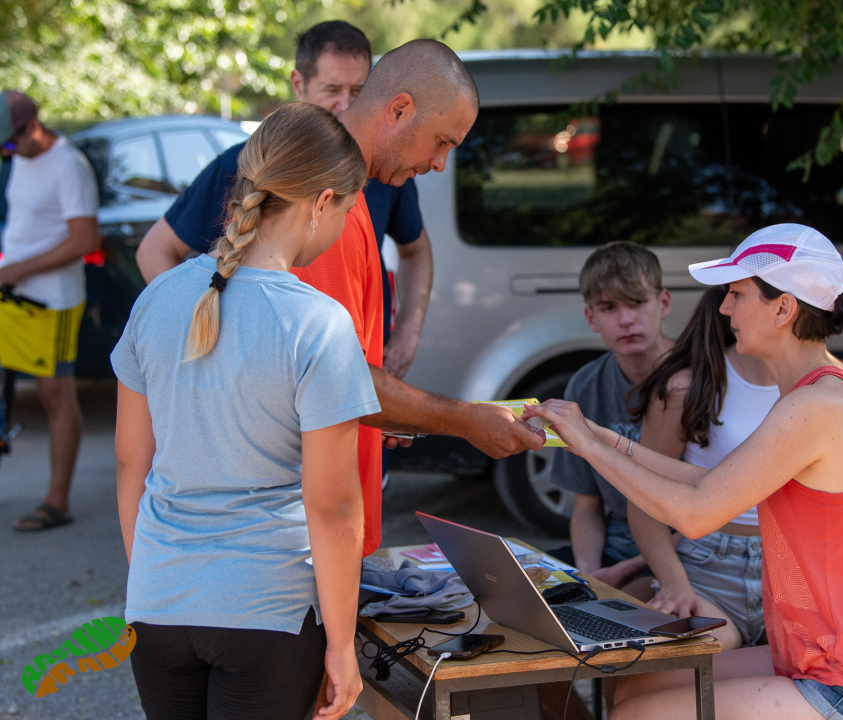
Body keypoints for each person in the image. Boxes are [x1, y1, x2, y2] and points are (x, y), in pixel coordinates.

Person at [141, 38, 543, 559]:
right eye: (441, 142)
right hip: (303, 547)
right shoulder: (324, 218)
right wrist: (465, 421)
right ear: (399, 110)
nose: (441, 164)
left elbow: (324, 383)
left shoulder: (343, 202)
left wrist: (393, 415)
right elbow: (339, 376)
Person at [525, 224, 843, 720]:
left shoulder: (819, 404)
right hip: (820, 659)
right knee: (636, 693)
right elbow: (709, 484)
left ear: (783, 309)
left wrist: (590, 447)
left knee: (639, 716)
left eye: (737, 294)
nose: (723, 308)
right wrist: (600, 436)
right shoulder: (812, 392)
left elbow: (697, 514)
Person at [114, 102, 372, 720]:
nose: (344, 224)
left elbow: (130, 465)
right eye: (347, 210)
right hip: (267, 612)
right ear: (321, 200)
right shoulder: (317, 323)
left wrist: (158, 582)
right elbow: (333, 506)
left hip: (158, 604)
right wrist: (342, 646)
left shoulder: (156, 300)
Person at [137, 21, 433, 381]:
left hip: (354, 384)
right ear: (299, 85)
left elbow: (416, 249)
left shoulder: (387, 169)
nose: (346, 102)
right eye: (332, 89)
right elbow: (154, 250)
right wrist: (208, 326)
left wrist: (408, 331)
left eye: (358, 89)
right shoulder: (245, 164)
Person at [628, 285, 778, 652]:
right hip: (709, 568)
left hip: (792, 568)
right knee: (657, 673)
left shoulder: (821, 383)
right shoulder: (689, 385)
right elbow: (643, 497)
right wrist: (674, 583)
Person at [0, 90, 100, 532]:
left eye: (6, 145)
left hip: (50, 300)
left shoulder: (69, 166)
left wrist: (23, 267)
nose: (2, 153)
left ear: (30, 127)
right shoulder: (23, 157)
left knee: (55, 395)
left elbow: (85, 240)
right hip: (11, 286)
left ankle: (57, 502)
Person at [549, 242, 672, 595]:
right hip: (616, 542)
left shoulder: (699, 377)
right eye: (609, 307)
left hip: (690, 550)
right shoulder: (585, 386)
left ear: (663, 303)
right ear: (591, 318)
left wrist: (624, 572)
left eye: (636, 303)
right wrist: (589, 572)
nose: (626, 319)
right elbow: (587, 505)